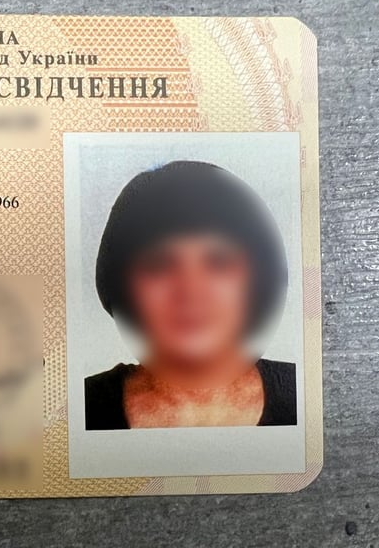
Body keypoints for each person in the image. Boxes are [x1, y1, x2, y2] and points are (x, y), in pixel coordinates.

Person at [85, 160, 296, 429]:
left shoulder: (302, 393)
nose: (191, 291)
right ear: (121, 284)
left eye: (219, 263)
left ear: (257, 280)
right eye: (159, 265)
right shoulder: (79, 408)